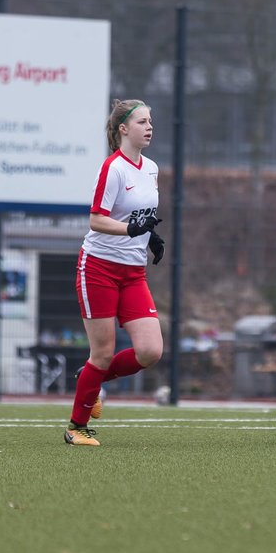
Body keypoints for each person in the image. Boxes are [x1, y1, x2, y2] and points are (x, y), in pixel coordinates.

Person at [64, 99, 165, 447]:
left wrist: (151, 237)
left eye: (150, 121)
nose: (149, 126)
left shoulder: (151, 169)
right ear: (124, 129)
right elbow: (96, 219)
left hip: (133, 272)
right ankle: (76, 427)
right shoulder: (113, 168)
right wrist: (131, 231)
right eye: (141, 121)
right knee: (103, 352)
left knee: (150, 351)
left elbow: (142, 218)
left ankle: (91, 376)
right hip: (99, 268)